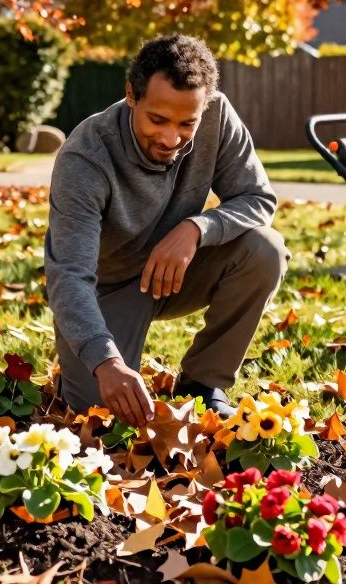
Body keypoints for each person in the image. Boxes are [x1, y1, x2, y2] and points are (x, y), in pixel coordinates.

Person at [45, 34, 289, 427]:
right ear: (131, 95)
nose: (170, 138)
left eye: (186, 123)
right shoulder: (85, 157)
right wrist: (105, 361)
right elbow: (69, 275)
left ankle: (202, 383)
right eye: (157, 119)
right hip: (105, 289)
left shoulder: (217, 117)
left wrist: (197, 227)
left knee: (265, 250)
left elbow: (258, 199)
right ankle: (91, 366)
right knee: (100, 416)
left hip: (177, 271)